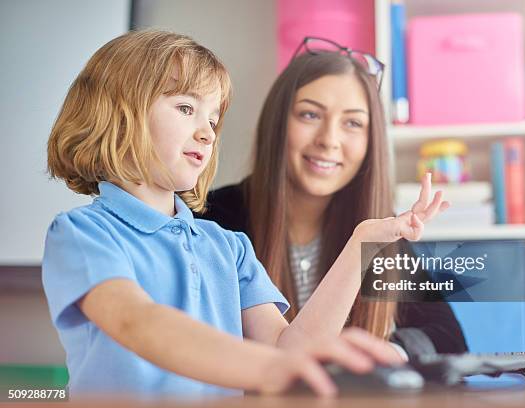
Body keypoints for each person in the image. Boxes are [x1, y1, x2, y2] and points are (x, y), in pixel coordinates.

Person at [40, 30, 441, 398]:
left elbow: (290, 350)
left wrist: (362, 244)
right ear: (116, 114)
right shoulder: (82, 233)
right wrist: (272, 368)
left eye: (213, 120)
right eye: (185, 108)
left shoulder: (229, 247)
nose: (207, 132)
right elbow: (136, 322)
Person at [198, 37, 468, 357]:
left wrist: (387, 354)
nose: (329, 140)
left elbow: (448, 340)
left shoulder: (377, 228)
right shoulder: (213, 220)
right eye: (310, 115)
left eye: (352, 123)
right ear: (278, 123)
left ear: (371, 142)